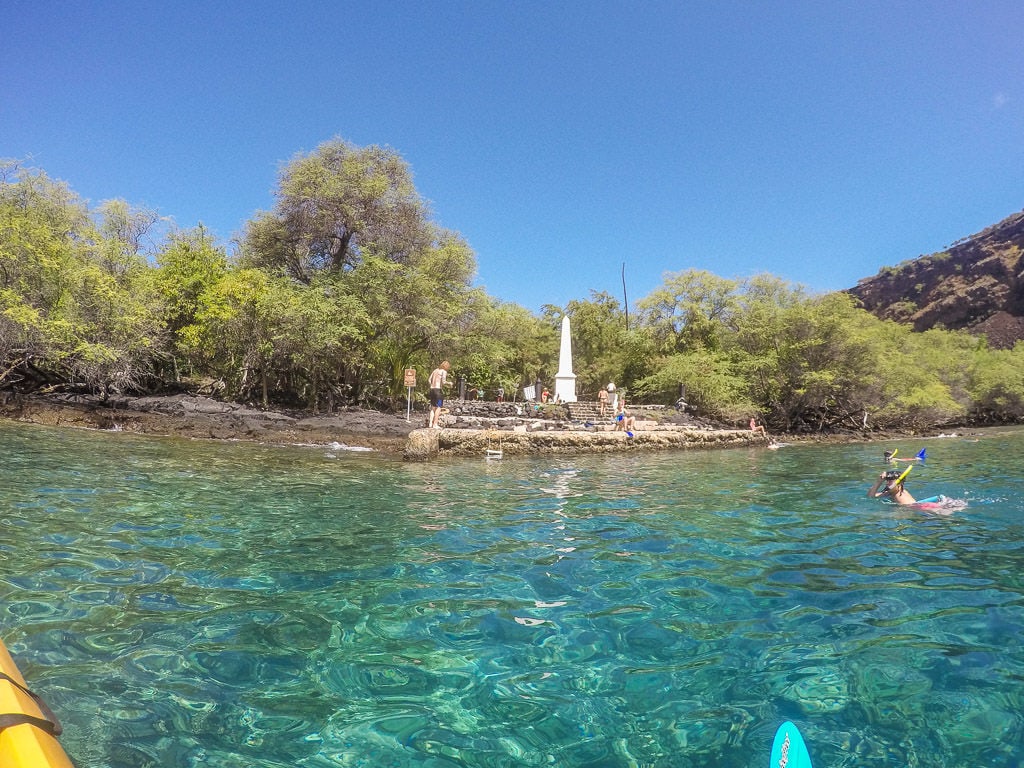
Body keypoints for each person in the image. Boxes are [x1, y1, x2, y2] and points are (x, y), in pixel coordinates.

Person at [427, 361, 451, 429]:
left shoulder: (435, 370)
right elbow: (443, 382)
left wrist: (432, 385)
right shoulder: (444, 371)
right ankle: (435, 424)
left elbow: (429, 380)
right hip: (438, 390)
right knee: (438, 407)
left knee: (433, 407)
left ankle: (430, 423)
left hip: (432, 389)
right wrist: (450, 383)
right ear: (446, 366)